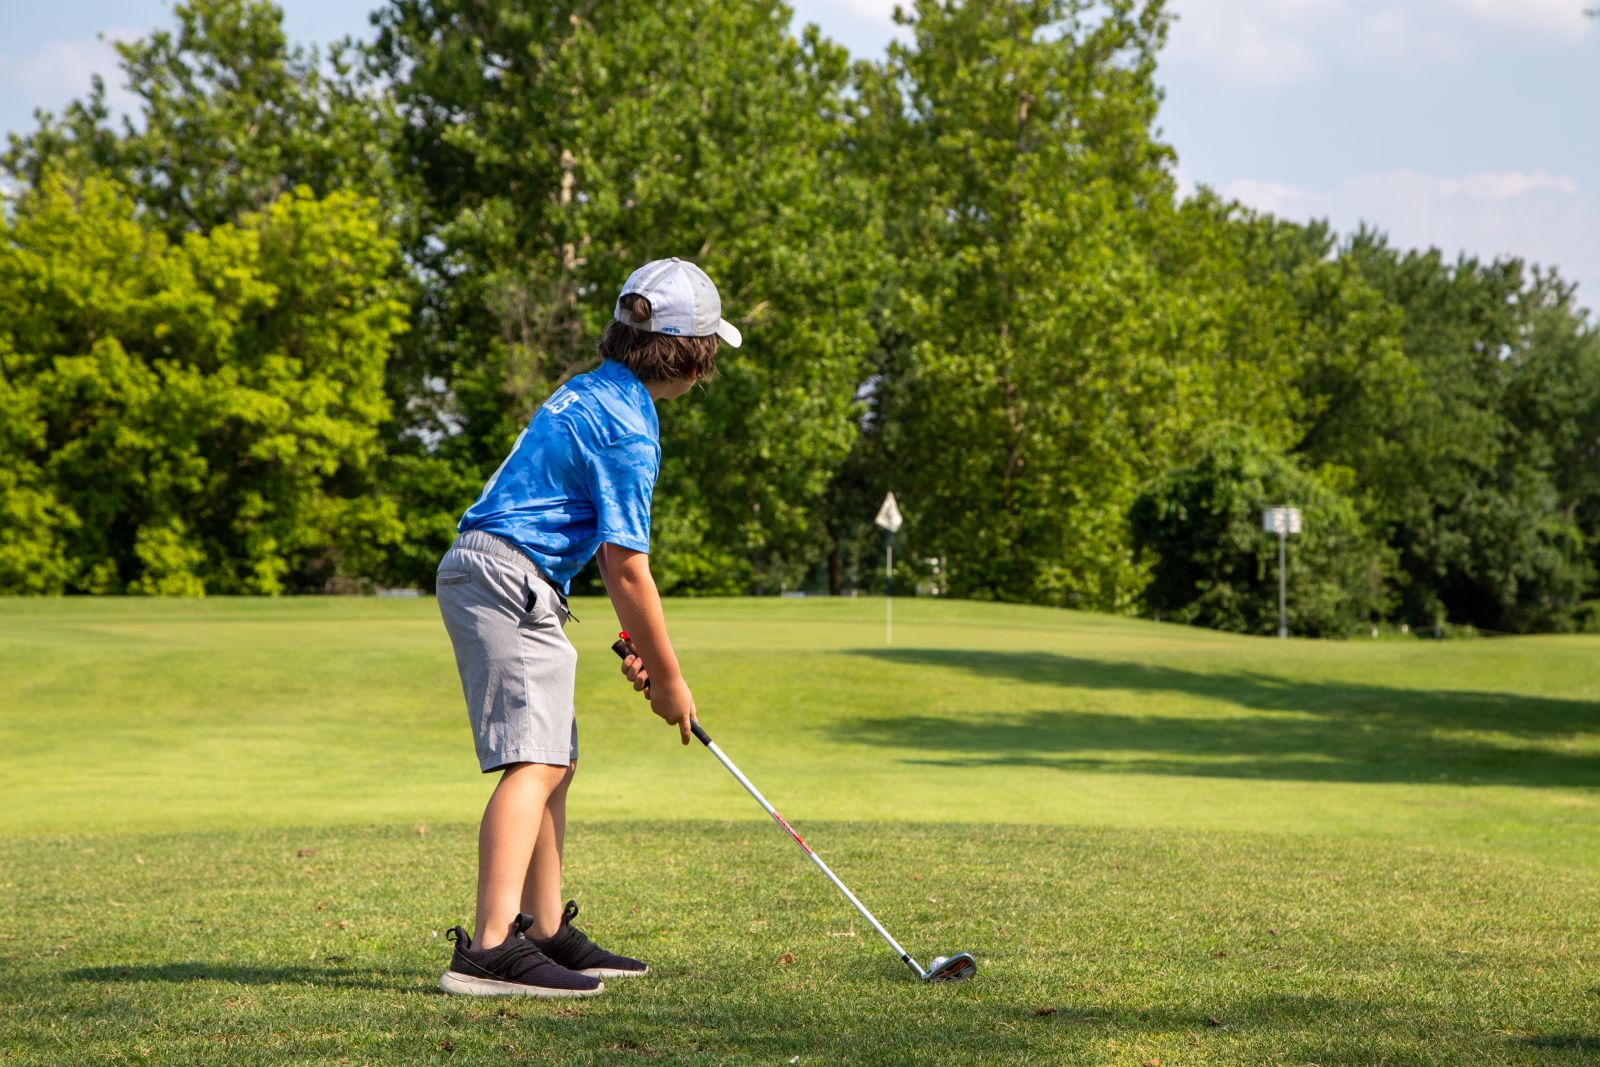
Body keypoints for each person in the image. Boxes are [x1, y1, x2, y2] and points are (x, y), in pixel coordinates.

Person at [432, 258, 741, 997]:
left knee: (553, 759)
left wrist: (637, 644)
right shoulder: (632, 425)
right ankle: (490, 947)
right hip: (509, 575)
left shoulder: (592, 390)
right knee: (533, 763)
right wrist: (670, 680)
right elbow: (628, 568)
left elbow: (593, 547)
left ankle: (544, 927)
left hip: (505, 571)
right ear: (693, 355)